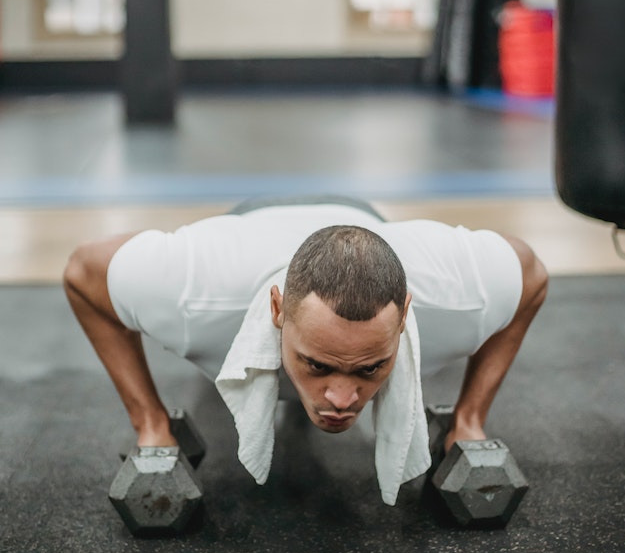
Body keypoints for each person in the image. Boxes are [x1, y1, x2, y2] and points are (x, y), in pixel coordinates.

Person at [63, 197, 547, 505]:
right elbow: (83, 272)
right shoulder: (193, 291)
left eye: (369, 368)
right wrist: (149, 421)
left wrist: (469, 418)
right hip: (248, 221)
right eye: (318, 365)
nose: (340, 398)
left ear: (405, 315)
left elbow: (532, 275)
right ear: (277, 310)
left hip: (364, 222)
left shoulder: (458, 293)